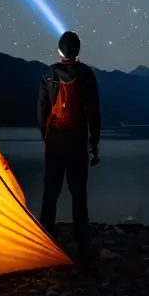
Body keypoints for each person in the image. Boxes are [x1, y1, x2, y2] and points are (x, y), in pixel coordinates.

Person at [37, 30, 101, 260]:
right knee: (78, 192)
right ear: (78, 50)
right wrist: (94, 141)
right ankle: (82, 243)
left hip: (54, 141)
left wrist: (45, 135)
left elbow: (41, 108)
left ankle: (44, 240)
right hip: (77, 141)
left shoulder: (48, 73)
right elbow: (94, 111)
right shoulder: (86, 74)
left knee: (50, 190)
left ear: (59, 50)